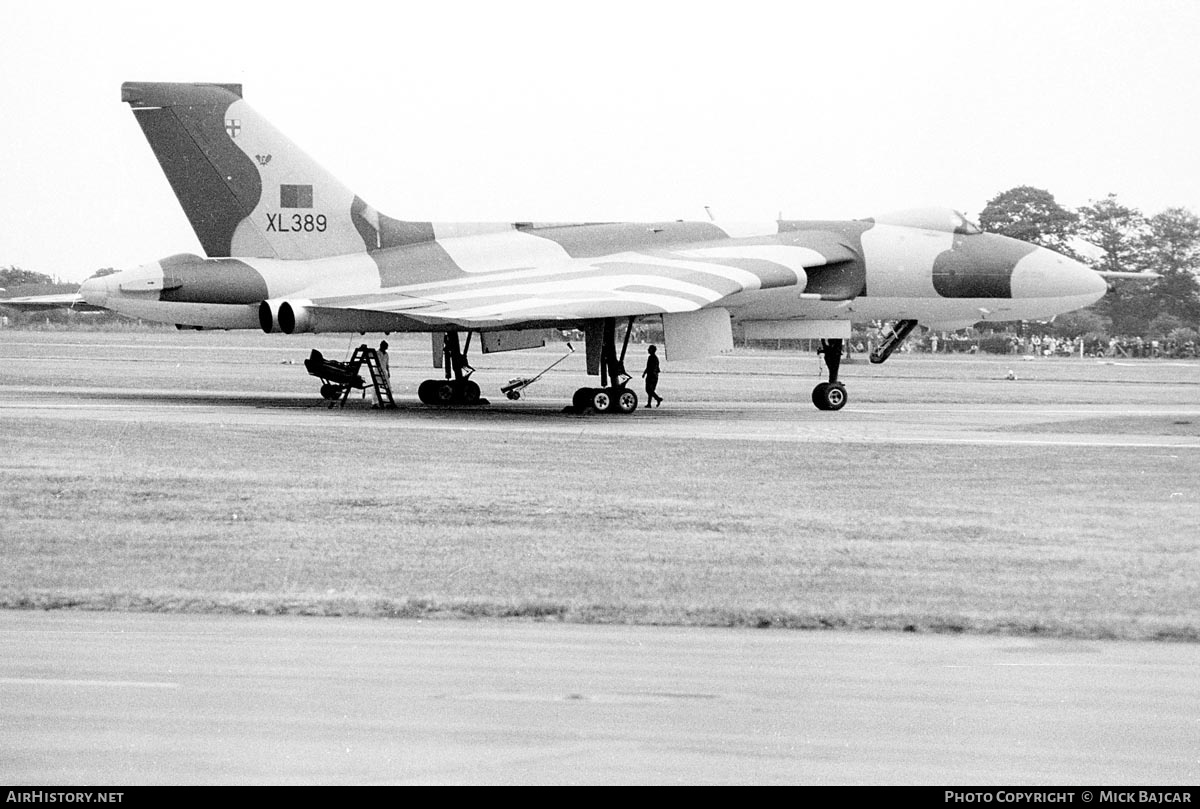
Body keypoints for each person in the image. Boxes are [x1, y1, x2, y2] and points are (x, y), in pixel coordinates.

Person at [370, 340, 391, 408]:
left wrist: (388, 372)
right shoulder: (377, 353)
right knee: (375, 388)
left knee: (388, 387)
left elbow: (387, 364)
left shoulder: (386, 354)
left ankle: (388, 402)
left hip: (384, 372)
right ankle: (374, 403)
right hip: (377, 372)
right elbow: (369, 355)